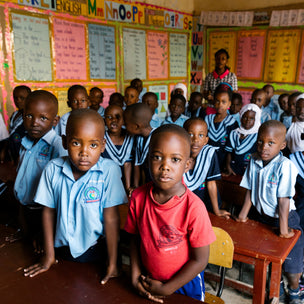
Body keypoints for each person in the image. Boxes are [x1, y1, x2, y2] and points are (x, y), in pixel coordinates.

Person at [24, 109, 127, 283]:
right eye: (76, 143)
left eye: (93, 145)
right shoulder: (52, 169)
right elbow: (48, 212)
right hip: (62, 251)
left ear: (103, 146)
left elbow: (111, 219)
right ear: (64, 142)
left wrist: (112, 263)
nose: (84, 152)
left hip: (96, 252)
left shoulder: (109, 171)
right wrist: (49, 256)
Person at [124, 124, 216, 302]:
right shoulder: (138, 197)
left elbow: (200, 260)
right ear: (148, 160)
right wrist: (135, 276)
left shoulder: (194, 207)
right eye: (157, 157)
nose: (165, 166)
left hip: (185, 284)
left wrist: (168, 288)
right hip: (148, 279)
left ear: (187, 164)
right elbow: (135, 239)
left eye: (175, 159)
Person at [236, 120, 304, 304]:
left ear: (282, 145)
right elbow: (250, 189)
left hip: (285, 220)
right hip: (261, 217)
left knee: (291, 261)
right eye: (260, 141)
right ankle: (276, 287)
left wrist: (283, 230)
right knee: (267, 256)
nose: (264, 147)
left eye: (271, 143)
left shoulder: (286, 165)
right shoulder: (254, 159)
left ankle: (295, 289)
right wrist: (243, 215)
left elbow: (284, 200)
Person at [14, 90, 66, 250]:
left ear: (55, 120)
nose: (35, 122)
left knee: (39, 249)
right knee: (24, 248)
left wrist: (45, 233)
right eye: (29, 116)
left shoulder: (57, 146)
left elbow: (59, 192)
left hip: (45, 213)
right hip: (25, 209)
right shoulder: (25, 142)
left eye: (43, 118)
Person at [183, 118, 230, 218]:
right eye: (190, 134)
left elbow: (211, 184)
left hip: (205, 207)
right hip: (184, 206)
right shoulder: (178, 155)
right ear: (183, 137)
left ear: (206, 140)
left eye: (200, 135)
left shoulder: (209, 154)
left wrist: (216, 210)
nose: (195, 140)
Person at [204, 83, 238, 170]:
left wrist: (228, 165)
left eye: (224, 102)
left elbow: (231, 147)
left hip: (223, 163)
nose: (220, 105)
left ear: (229, 103)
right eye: (217, 101)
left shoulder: (232, 123)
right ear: (213, 101)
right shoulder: (207, 119)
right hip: (207, 160)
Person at [102, 105, 134, 193]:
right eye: (109, 117)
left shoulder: (130, 137)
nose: (113, 120)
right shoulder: (102, 139)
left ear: (123, 120)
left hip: (126, 185)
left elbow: (127, 164)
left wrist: (128, 188)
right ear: (104, 120)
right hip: (106, 185)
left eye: (118, 117)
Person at [224, 103, 261, 176]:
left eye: (251, 118)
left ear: (256, 120)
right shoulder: (234, 133)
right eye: (245, 117)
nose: (248, 120)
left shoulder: (258, 135)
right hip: (233, 170)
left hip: (250, 172)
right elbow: (229, 153)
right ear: (241, 117)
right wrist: (228, 166)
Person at [123, 103, 153, 190]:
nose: (124, 126)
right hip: (145, 184)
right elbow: (137, 164)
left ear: (136, 126)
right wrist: (136, 187)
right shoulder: (139, 139)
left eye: (126, 124)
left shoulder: (158, 138)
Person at [0, 85, 31, 163]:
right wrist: (4, 150)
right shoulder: (15, 115)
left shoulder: (31, 116)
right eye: (15, 98)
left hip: (25, 154)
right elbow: (11, 134)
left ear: (29, 98)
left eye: (22, 98)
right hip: (13, 152)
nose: (18, 101)